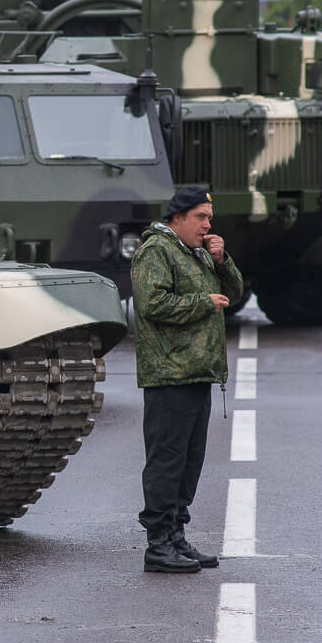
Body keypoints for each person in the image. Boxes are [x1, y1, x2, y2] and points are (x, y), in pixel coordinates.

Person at [131, 185, 244, 573]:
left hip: (197, 373)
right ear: (176, 218)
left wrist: (222, 259)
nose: (207, 224)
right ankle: (158, 544)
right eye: (201, 217)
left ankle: (177, 536)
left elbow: (235, 293)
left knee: (190, 461)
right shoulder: (156, 251)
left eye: (209, 218)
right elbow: (151, 303)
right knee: (167, 460)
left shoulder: (195, 253)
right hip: (169, 374)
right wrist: (201, 302)